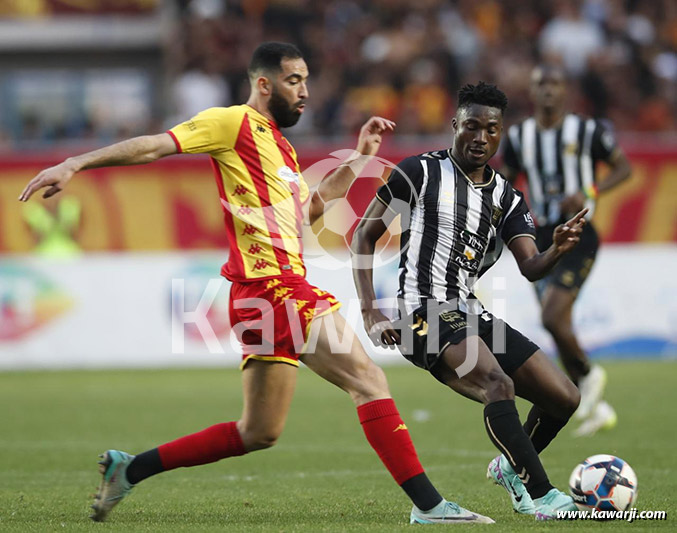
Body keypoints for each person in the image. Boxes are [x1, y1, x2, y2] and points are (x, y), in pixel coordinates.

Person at [18, 42, 492, 525]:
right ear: (263, 84)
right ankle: (431, 507)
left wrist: (360, 157)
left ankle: (130, 468)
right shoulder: (231, 123)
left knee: (258, 432)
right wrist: (74, 163)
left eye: (306, 80)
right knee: (368, 381)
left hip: (259, 297)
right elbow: (155, 145)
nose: (305, 92)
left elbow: (309, 207)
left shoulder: (279, 146)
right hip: (275, 288)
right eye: (294, 81)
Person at [352, 82, 586, 520]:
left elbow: (531, 266)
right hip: (421, 312)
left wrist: (558, 248)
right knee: (498, 384)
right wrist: (369, 308)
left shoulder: (507, 198)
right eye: (472, 126)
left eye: (491, 129)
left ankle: (510, 468)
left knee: (565, 397)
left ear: (501, 134)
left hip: (469, 312)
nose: (480, 137)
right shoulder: (419, 172)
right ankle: (542, 494)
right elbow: (364, 234)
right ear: (454, 125)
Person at [501, 64, 632, 436]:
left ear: (565, 91)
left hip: (577, 236)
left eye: (554, 84)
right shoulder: (519, 136)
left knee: (552, 317)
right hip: (537, 239)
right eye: (541, 83)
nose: (547, 90)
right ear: (532, 89)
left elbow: (623, 169)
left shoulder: (587, 131)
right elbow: (506, 182)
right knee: (558, 324)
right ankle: (597, 406)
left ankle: (589, 379)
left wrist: (589, 193)